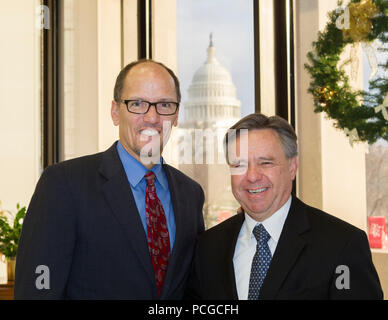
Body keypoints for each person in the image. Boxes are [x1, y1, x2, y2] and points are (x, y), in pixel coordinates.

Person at [14, 60, 205, 299]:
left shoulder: (190, 194)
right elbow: (38, 289)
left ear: (176, 116)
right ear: (115, 112)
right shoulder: (64, 184)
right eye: (137, 104)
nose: (152, 117)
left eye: (165, 105)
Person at [186, 113, 383, 300]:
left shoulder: (341, 245)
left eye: (265, 163)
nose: (252, 176)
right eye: (239, 165)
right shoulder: (208, 248)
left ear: (292, 167)